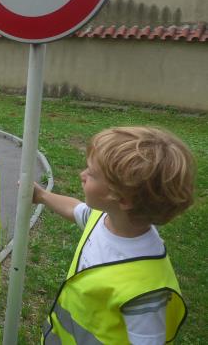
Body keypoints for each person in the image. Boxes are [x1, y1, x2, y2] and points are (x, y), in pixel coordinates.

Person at [33, 126, 195, 344]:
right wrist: (42, 196)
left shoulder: (145, 291)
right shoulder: (104, 218)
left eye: (91, 174)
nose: (82, 175)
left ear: (123, 199)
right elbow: (75, 210)